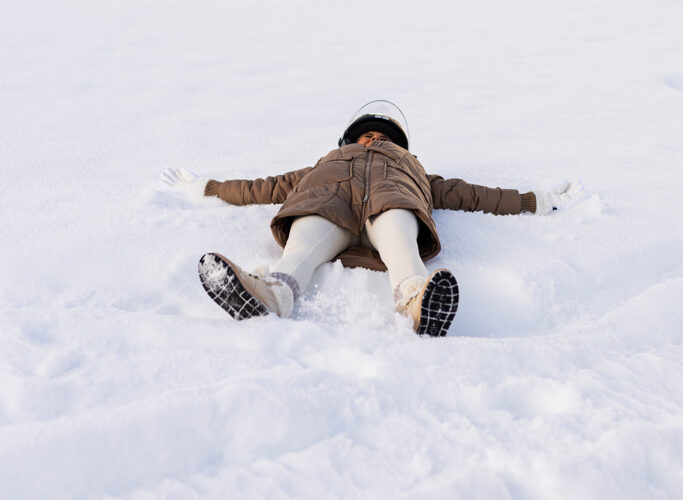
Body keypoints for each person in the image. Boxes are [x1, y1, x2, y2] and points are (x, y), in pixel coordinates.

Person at [161, 100, 583, 337]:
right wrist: (210, 187)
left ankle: (416, 301)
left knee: (400, 236)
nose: (375, 139)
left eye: (384, 137)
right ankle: (272, 295)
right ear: (350, 140)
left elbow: (474, 195)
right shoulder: (322, 163)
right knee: (303, 239)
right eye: (367, 135)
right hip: (328, 205)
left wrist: (535, 200)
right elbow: (263, 186)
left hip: (390, 205)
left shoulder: (414, 171)